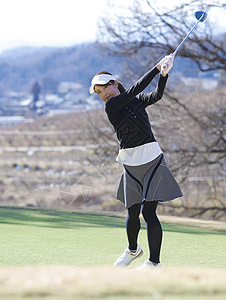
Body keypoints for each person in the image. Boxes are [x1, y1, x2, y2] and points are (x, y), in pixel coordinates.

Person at [89, 53, 183, 269]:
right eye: (98, 93)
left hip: (152, 159)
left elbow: (157, 95)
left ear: (115, 83)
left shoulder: (137, 102)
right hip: (130, 163)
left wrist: (164, 74)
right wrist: (156, 67)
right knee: (132, 209)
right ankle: (133, 250)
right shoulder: (111, 107)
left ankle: (154, 263)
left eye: (104, 88)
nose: (102, 94)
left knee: (149, 212)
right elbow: (135, 89)